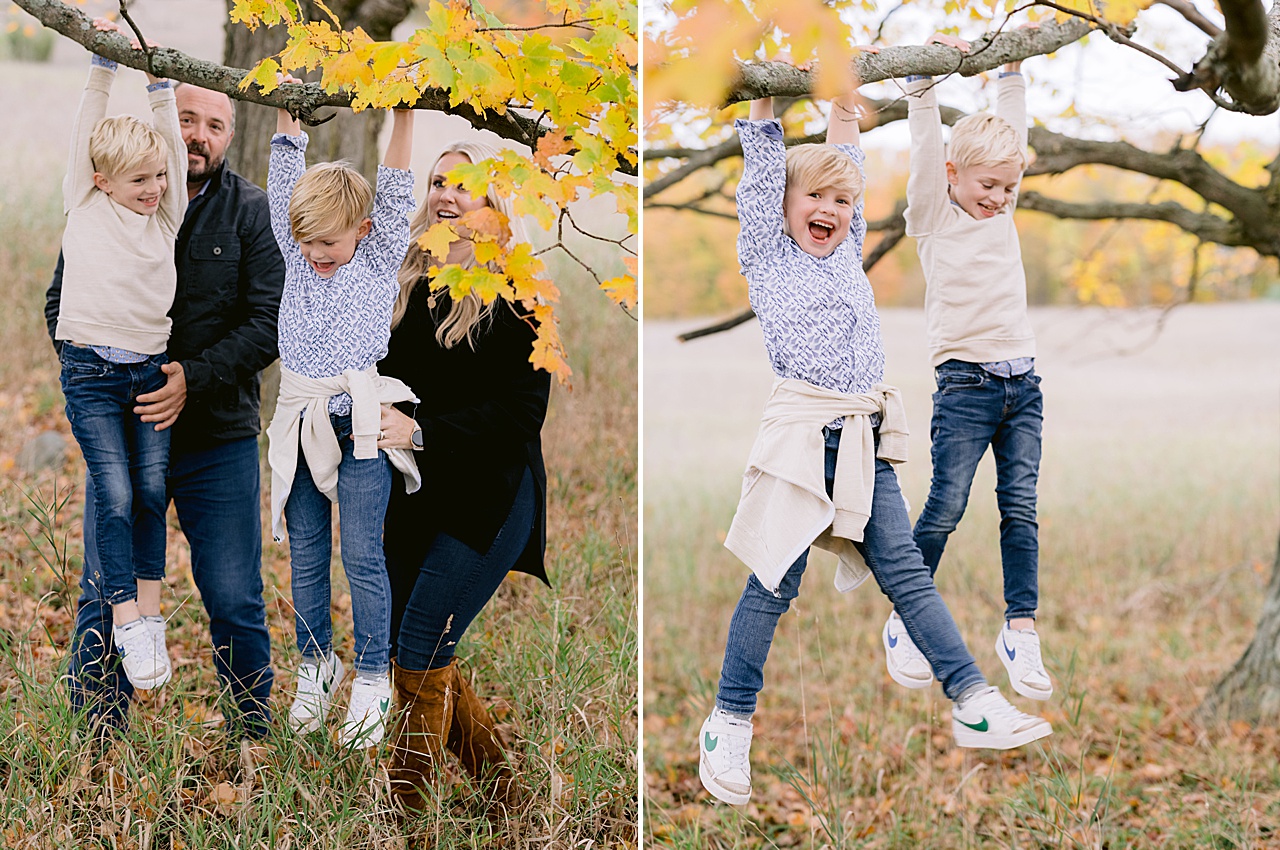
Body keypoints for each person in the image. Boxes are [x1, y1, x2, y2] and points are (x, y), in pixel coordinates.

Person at [696, 67, 1052, 808]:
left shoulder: (848, 243)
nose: (829, 208)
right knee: (772, 586)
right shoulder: (769, 254)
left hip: (861, 438)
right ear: (783, 207)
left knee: (908, 574)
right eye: (814, 197)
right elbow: (765, 163)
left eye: (840, 200)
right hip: (802, 437)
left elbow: (846, 156)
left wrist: (841, 91)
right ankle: (729, 723)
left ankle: (971, 699)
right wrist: (765, 80)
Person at [47, 73, 284, 734]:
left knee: (235, 597)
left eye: (214, 125)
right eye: (186, 118)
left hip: (218, 438)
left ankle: (252, 735)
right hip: (124, 429)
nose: (198, 136)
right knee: (103, 592)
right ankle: (97, 744)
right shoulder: (104, 205)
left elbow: (269, 322)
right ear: (163, 124)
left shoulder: (251, 212)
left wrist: (192, 378)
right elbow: (61, 308)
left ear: (232, 136)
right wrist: (97, 384)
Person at [375, 139, 551, 813]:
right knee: (408, 646)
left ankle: (407, 817)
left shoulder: (519, 291)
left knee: (422, 642)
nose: (446, 194)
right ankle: (508, 796)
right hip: (416, 489)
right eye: (438, 181)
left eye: (464, 186)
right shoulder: (408, 276)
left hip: (491, 492)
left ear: (494, 205)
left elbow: (520, 414)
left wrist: (422, 431)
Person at [890, 33, 1053, 702]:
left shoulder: (1000, 200)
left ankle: (1020, 628)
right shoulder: (933, 216)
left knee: (1020, 508)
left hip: (1024, 384)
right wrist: (922, 84)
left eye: (1010, 187)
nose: (1001, 198)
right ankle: (907, 616)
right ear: (955, 175)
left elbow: (1008, 131)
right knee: (947, 507)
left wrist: (1011, 69)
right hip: (966, 386)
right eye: (989, 185)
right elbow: (928, 149)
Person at [264, 87, 419, 749]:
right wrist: (284, 121)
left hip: (358, 425)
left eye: (328, 242)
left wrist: (406, 113)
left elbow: (397, 185)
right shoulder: (297, 253)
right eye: (305, 243)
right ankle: (315, 665)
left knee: (361, 556)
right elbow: (282, 186)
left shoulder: (379, 257)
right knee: (304, 558)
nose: (314, 254)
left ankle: (372, 676)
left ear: (361, 231)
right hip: (300, 422)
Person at [53, 20, 187, 692]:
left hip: (147, 370)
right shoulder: (83, 198)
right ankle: (126, 615)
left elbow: (173, 168)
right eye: (140, 179)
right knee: (113, 491)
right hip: (91, 375)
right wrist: (105, 64)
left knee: (152, 491)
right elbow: (87, 126)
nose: (155, 188)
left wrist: (160, 83)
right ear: (103, 180)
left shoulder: (166, 216)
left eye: (160, 175)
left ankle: (152, 615)